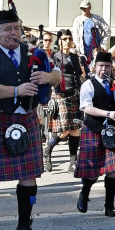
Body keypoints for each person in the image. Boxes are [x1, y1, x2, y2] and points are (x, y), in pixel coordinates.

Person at [0, 6, 61, 230]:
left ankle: (24, 226)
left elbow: (57, 75)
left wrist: (48, 77)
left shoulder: (34, 53)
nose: (13, 33)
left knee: (29, 174)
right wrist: (17, 90)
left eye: (16, 28)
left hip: (26, 118)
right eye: (7, 29)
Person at [74, 51, 115, 216]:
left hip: (113, 131)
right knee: (93, 172)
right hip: (94, 129)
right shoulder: (88, 84)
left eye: (107, 66)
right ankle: (84, 194)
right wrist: (108, 114)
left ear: (111, 67)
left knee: (113, 169)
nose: (103, 69)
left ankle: (109, 206)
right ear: (94, 66)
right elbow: (86, 107)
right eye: (100, 66)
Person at [44, 30, 84, 172]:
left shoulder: (74, 57)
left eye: (69, 39)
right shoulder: (55, 57)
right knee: (64, 131)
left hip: (75, 95)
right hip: (61, 95)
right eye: (65, 39)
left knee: (75, 129)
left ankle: (73, 162)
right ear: (59, 41)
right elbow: (51, 76)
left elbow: (79, 76)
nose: (67, 41)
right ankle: (48, 149)